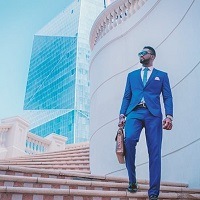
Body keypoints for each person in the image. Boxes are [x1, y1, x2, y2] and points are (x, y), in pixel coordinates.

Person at [118, 46, 173, 200]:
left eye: (144, 53)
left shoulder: (162, 76)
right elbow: (126, 97)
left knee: (154, 151)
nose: (141, 55)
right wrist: (122, 114)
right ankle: (132, 180)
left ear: (152, 56)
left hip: (153, 115)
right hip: (134, 112)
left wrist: (169, 116)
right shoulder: (132, 76)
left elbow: (167, 97)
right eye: (139, 53)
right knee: (129, 141)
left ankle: (154, 192)